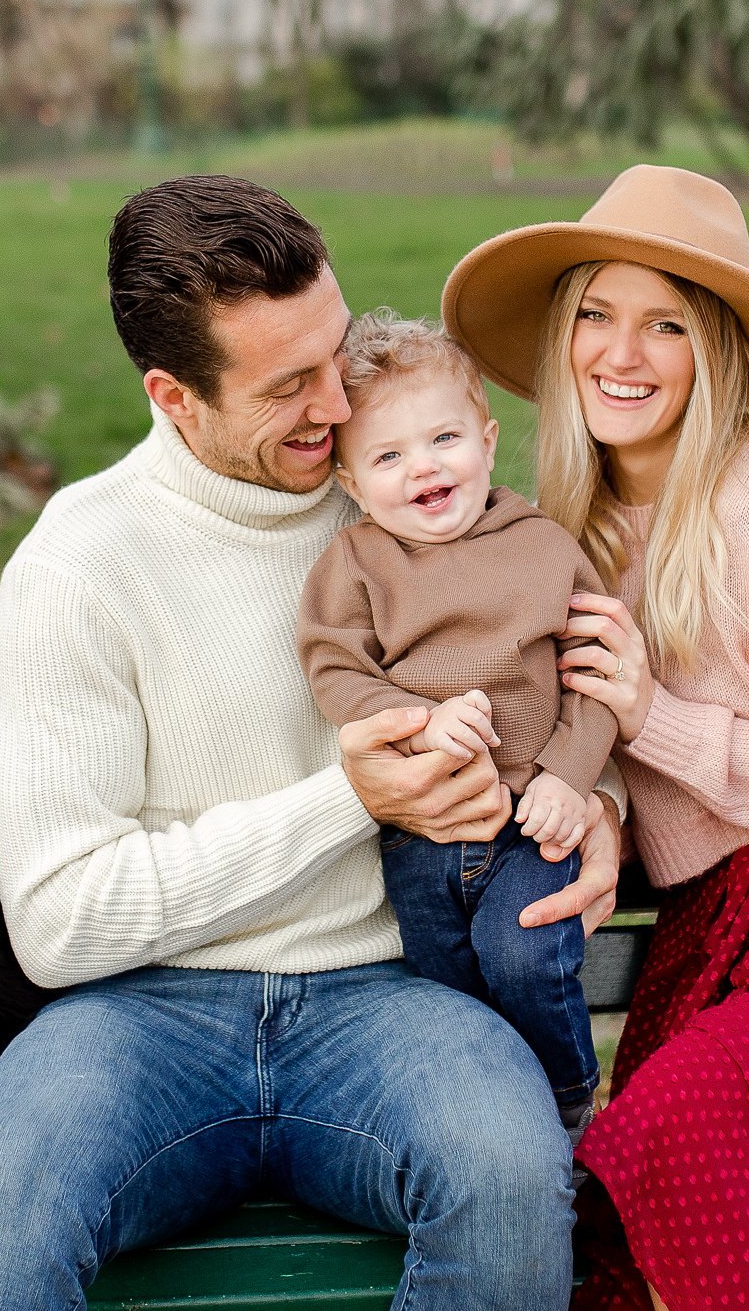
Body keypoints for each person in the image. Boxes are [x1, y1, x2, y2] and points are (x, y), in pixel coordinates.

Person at [0, 174, 623, 1311]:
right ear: (175, 396)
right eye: (288, 387)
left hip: (389, 995)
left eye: (335, 355)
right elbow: (57, 921)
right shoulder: (79, 566)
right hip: (141, 1014)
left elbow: (548, 677)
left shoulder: (411, 490)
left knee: (514, 1182)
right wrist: (346, 797)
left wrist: (598, 803)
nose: (339, 407)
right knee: (4, 1210)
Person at [442, 163, 749, 1310]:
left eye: (665, 326)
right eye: (595, 314)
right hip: (725, 921)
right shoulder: (563, 527)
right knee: (614, 1212)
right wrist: (595, 802)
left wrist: (660, 722)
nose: (620, 354)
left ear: (715, 354)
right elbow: (615, 765)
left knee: (677, 1125)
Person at [297, 310, 619, 1146]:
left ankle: (567, 1101)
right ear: (351, 483)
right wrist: (417, 724)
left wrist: (567, 777)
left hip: (530, 823)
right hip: (423, 831)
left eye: (444, 437)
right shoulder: (357, 564)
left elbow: (594, 682)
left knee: (523, 951)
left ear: (486, 436)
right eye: (389, 456)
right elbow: (336, 668)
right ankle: (485, 1127)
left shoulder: (543, 546)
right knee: (448, 993)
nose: (424, 468)